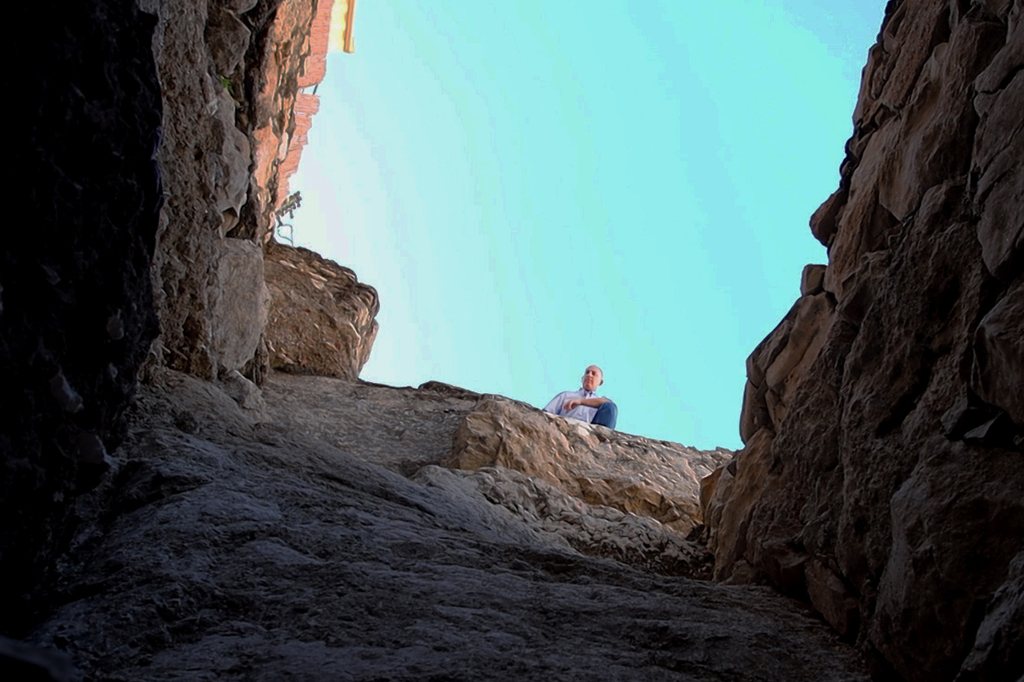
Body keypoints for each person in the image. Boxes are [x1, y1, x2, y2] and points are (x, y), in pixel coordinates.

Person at [543, 365, 618, 429]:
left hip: (590, 435)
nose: (589, 375)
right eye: (587, 372)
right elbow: (546, 413)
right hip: (564, 429)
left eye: (594, 374)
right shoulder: (566, 395)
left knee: (610, 407)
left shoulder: (600, 401)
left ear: (600, 382)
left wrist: (580, 401)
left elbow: (609, 405)